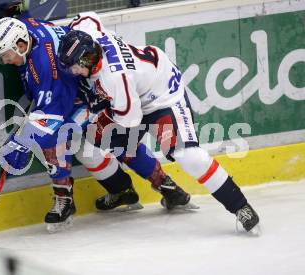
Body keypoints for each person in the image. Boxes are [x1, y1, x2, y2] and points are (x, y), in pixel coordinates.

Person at [57, 12, 260, 233]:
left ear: (88, 58)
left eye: (76, 66)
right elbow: (88, 16)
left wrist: (100, 123)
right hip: (137, 90)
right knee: (107, 140)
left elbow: (130, 121)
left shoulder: (115, 79)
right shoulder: (89, 35)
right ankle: (168, 189)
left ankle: (240, 206)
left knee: (187, 155)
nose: (73, 71)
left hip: (162, 96)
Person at [0, 15, 193, 231]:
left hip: (90, 97)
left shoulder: (48, 70)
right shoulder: (28, 28)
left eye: (6, 55)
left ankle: (65, 199)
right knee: (101, 144)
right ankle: (147, 188)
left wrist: (22, 142)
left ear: (21, 45)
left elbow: (51, 120)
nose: (6, 61)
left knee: (75, 140)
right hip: (87, 88)